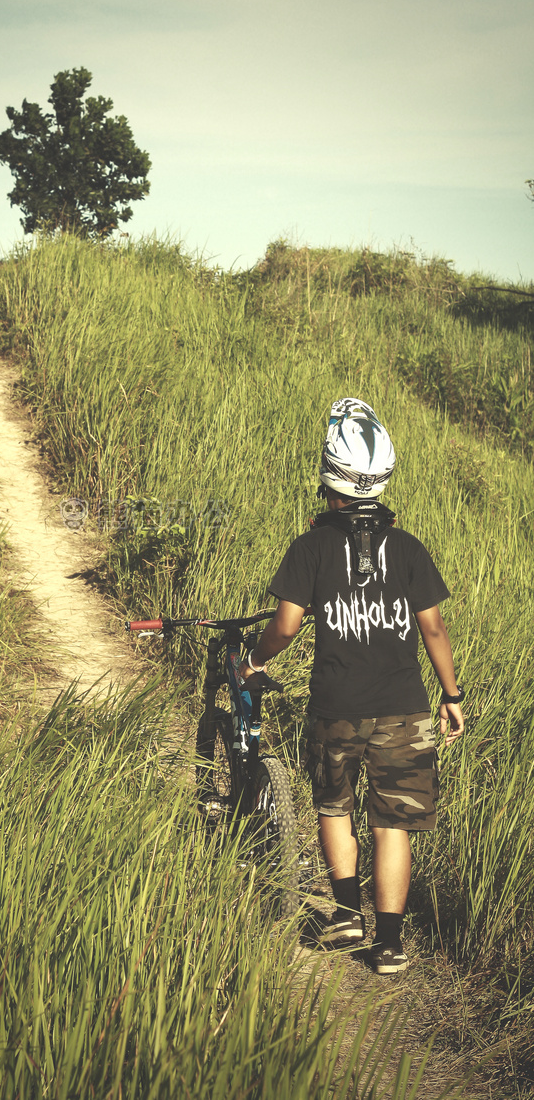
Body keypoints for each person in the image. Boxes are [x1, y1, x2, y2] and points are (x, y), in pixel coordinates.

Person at [238, 397, 464, 974]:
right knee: (393, 824)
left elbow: (286, 625)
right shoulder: (409, 549)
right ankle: (389, 944)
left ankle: (345, 915)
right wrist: (452, 695)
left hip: (335, 708)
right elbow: (433, 628)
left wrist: (256, 663)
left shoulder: (311, 547)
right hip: (406, 711)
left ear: (327, 477)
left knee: (333, 807)